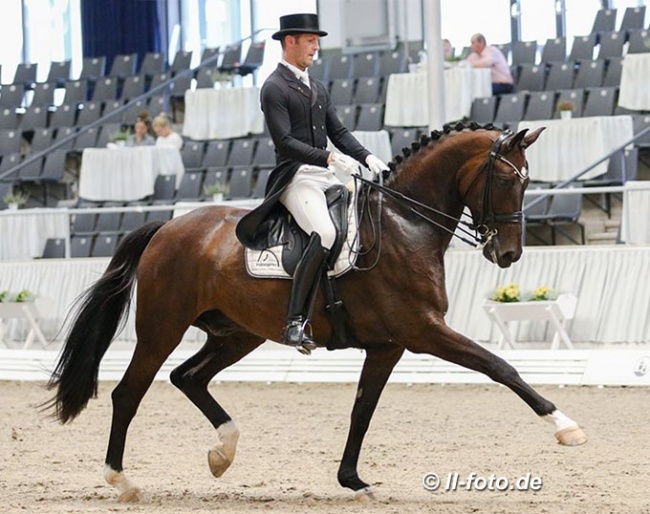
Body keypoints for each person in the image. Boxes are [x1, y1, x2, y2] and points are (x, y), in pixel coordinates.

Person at [235, 13, 388, 354]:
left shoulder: (315, 86)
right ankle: (294, 321)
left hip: (324, 175)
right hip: (296, 177)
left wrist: (367, 156)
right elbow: (285, 142)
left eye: (317, 42)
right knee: (326, 233)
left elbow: (338, 131)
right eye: (310, 41)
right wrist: (330, 158)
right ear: (289, 42)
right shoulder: (274, 87)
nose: (316, 47)